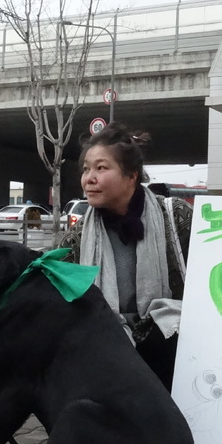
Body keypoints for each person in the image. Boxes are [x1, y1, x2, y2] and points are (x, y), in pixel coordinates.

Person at [59, 124, 192, 391]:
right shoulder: (79, 236)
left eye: (101, 168)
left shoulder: (174, 216)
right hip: (108, 350)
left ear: (131, 176)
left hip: (171, 352)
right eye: (86, 169)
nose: (89, 178)